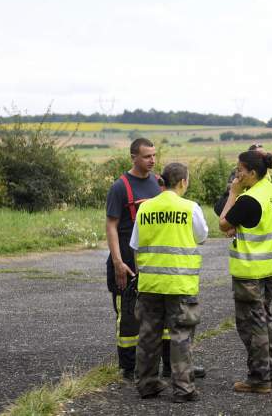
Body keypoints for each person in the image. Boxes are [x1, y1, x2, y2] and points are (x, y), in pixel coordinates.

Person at [130, 163, 208, 402]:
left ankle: (147, 385)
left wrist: (141, 275)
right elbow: (201, 236)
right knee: (181, 336)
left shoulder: (145, 209)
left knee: (148, 336)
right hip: (179, 284)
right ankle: (183, 389)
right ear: (183, 182)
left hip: (151, 284)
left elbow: (135, 245)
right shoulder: (190, 208)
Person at [219, 149, 272, 394]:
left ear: (252, 173)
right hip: (271, 269)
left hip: (250, 272)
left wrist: (233, 193)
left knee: (252, 326)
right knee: (265, 320)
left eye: (240, 170)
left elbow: (223, 222)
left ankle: (258, 378)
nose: (237, 174)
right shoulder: (271, 191)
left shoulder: (248, 198)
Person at [104, 137, 168, 380]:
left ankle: (161, 364)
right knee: (128, 318)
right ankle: (128, 369)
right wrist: (118, 262)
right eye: (146, 156)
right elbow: (111, 226)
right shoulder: (120, 187)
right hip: (127, 265)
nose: (152, 160)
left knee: (157, 315)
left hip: (151, 264)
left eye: (154, 155)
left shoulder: (158, 183)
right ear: (133, 158)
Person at [213, 143, 263, 217]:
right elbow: (230, 188)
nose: (263, 158)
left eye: (263, 155)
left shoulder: (264, 172)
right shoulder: (239, 171)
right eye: (259, 155)